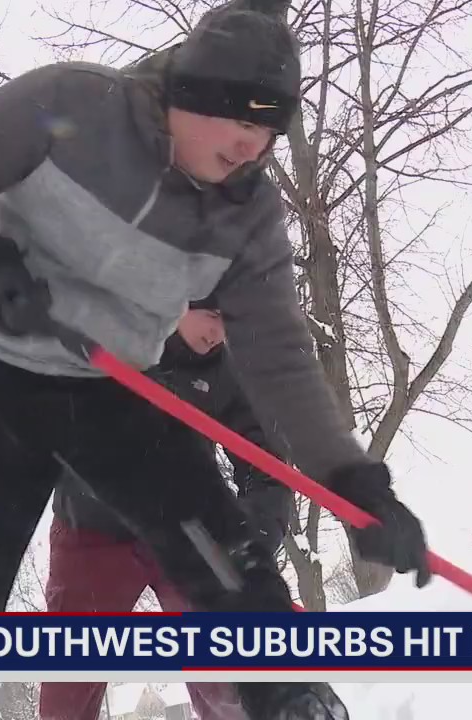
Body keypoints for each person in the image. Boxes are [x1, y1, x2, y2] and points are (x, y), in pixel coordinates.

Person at [0, 0, 433, 717]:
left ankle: (291, 697)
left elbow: (281, 356)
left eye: (268, 128)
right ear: (189, 94)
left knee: (228, 554)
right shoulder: (69, 101)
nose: (251, 145)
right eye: (239, 118)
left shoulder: (247, 216)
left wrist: (358, 486)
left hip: (114, 385)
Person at [40, 302, 293, 720]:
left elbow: (265, 465)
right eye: (212, 316)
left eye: (227, 321)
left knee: (225, 666)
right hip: (93, 528)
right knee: (71, 668)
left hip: (185, 528)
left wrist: (253, 538)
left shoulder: (227, 373)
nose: (218, 333)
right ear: (178, 297)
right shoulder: (113, 333)